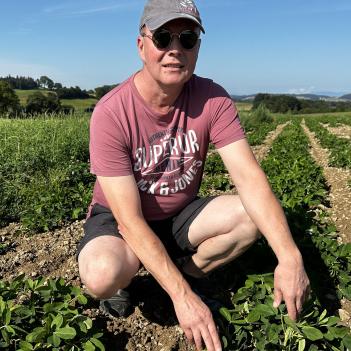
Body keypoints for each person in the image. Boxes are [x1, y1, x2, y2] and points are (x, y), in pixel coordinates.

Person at [77, 0, 310, 350]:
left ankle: (183, 271)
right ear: (141, 45)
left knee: (250, 216)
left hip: (178, 215)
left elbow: (250, 180)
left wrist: (290, 257)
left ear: (198, 47)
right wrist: (184, 300)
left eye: (187, 39)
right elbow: (129, 220)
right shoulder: (112, 112)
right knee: (101, 275)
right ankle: (138, 281)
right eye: (162, 38)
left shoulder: (212, 99)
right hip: (121, 221)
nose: (175, 50)